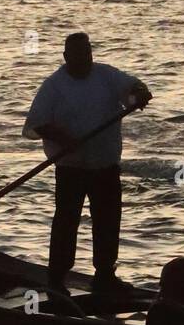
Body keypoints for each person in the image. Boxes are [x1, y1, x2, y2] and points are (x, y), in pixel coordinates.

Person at [23, 32, 152, 295]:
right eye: (78, 56)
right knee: (66, 222)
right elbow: (35, 124)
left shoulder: (106, 76)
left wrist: (138, 95)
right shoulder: (54, 86)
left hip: (105, 166)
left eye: (87, 54)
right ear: (66, 57)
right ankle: (57, 278)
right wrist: (62, 137)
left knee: (107, 220)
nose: (84, 60)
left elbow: (132, 89)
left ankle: (105, 276)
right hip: (71, 167)